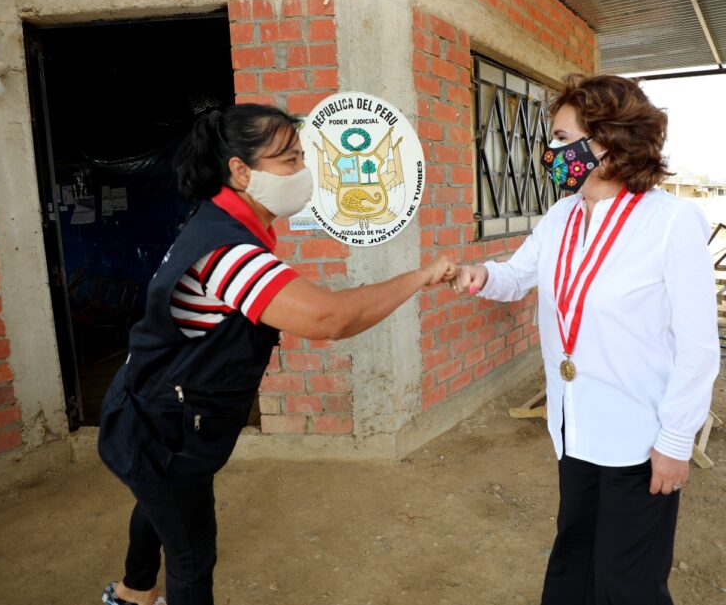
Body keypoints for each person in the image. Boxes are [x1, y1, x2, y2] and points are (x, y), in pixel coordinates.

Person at [98, 103, 456, 605]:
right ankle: (136, 593)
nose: (302, 172)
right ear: (240, 171)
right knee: (192, 556)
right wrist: (418, 277)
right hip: (158, 428)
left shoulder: (220, 223)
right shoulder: (228, 253)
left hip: (151, 415)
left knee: (159, 501)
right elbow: (329, 319)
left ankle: (133, 593)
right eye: (288, 161)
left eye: (302, 157)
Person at [451, 74, 719, 605]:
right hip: (576, 424)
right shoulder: (561, 217)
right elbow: (517, 275)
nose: (550, 151)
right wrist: (478, 274)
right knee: (573, 556)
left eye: (560, 136)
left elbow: (698, 346)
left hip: (639, 435)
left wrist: (674, 440)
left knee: (629, 580)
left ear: (609, 140)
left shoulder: (671, 222)